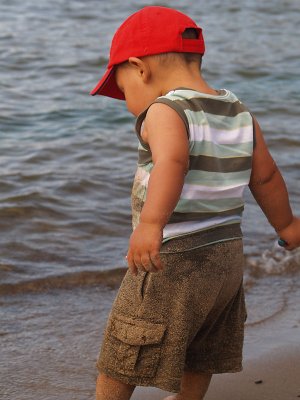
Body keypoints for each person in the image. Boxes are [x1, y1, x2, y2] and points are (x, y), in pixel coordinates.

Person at [90, 6, 300, 400]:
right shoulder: (238, 110)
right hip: (225, 256)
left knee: (126, 343)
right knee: (204, 340)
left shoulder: (166, 110)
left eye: (122, 89)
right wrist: (287, 225)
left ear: (139, 68)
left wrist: (151, 225)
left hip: (174, 255)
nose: (125, 101)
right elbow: (266, 175)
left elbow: (173, 160)